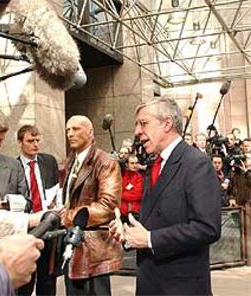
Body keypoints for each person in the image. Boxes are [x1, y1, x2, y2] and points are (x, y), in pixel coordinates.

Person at [110, 97, 221, 295]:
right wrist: (127, 233)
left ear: (167, 123)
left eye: (143, 123)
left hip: (181, 287)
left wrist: (150, 239)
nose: (137, 132)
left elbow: (207, 228)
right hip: (150, 284)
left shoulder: (196, 163)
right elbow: (150, 222)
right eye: (136, 124)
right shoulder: (154, 165)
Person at [61, 115, 122, 296]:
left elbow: (108, 205)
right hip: (72, 244)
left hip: (94, 250)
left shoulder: (105, 161)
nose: (70, 134)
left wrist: (67, 216)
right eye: (67, 130)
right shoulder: (70, 161)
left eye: (75, 129)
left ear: (90, 131)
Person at [16, 125, 59, 296]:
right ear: (20, 142)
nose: (35, 145)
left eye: (37, 140)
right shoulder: (13, 166)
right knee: (25, 280)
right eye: (30, 141)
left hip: (49, 226)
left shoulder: (49, 161)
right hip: (27, 228)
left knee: (48, 279)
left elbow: (57, 188)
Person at [120, 154, 144, 221]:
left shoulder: (139, 177)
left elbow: (137, 195)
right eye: (132, 163)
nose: (134, 165)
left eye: (136, 163)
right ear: (127, 164)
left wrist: (121, 194)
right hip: (122, 212)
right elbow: (118, 191)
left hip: (134, 212)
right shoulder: (122, 176)